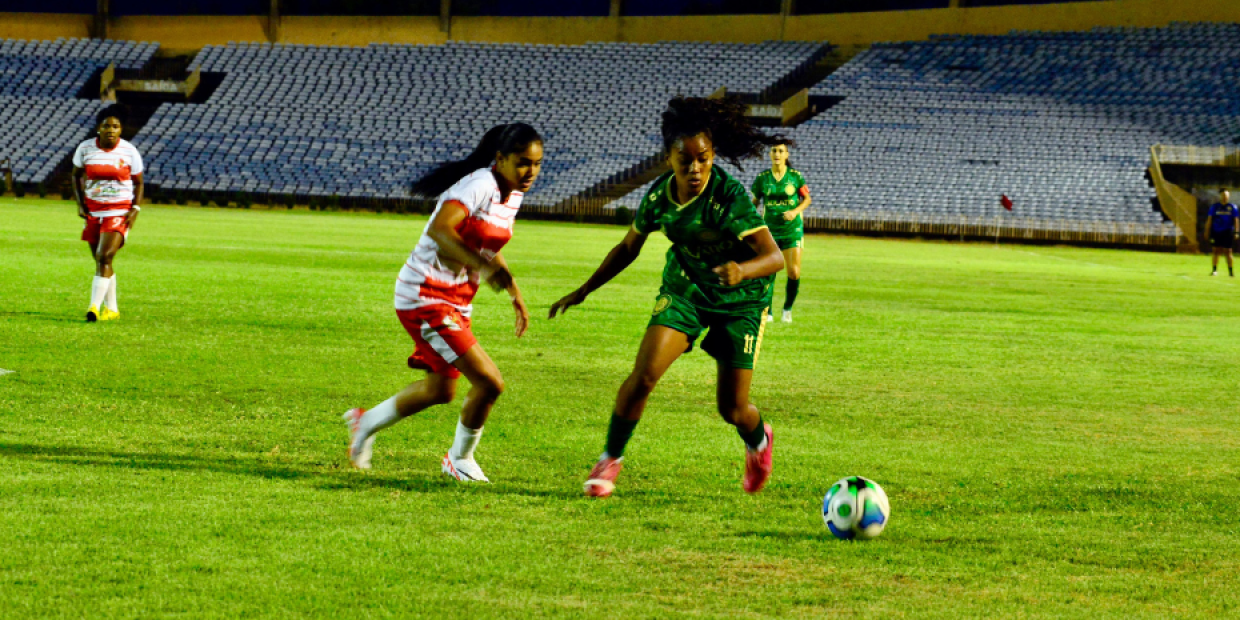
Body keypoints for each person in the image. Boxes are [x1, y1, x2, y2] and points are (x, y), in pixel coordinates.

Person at [549, 96, 785, 498]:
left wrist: (741, 270)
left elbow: (774, 257)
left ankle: (759, 441)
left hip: (741, 299)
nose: (695, 168)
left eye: (703, 159)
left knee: (731, 409)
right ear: (668, 158)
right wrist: (584, 290)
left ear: (712, 156)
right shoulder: (659, 198)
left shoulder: (729, 196)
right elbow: (628, 248)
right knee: (644, 375)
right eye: (685, 160)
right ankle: (609, 460)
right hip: (686, 290)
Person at [343, 123, 542, 482]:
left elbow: (488, 245)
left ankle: (365, 423)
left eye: (537, 164)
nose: (531, 171)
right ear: (500, 160)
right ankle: (459, 460)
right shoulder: (479, 185)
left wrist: (515, 292)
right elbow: (440, 230)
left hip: (455, 298)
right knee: (490, 382)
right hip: (425, 294)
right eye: (523, 163)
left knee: (440, 390)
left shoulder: (513, 194)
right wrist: (484, 268)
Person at [72, 104, 144, 322]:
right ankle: (112, 309)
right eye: (106, 126)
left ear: (121, 130)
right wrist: (80, 203)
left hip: (118, 211)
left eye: (115, 126)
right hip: (94, 211)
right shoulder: (85, 149)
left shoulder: (129, 151)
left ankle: (93, 308)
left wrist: (135, 209)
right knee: (102, 261)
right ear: (98, 128)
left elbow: (139, 182)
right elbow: (76, 175)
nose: (111, 130)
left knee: (104, 256)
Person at [750, 140, 811, 323]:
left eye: (781, 151)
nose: (777, 154)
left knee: (794, 271)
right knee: (769, 271)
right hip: (769, 230)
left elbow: (807, 199)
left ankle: (787, 309)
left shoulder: (795, 177)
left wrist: (794, 212)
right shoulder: (762, 178)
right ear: (770, 154)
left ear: (786, 155)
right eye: (774, 151)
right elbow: (754, 203)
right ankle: (767, 311)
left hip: (792, 230)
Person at [1205, 188, 1237, 277]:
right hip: (1216, 231)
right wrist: (1207, 231)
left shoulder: (1232, 207)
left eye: (1226, 196)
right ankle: (1214, 270)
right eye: (1223, 195)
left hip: (1227, 231)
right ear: (1220, 196)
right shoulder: (1215, 207)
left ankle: (1231, 272)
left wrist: (1237, 232)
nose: (1224, 197)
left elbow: (1236, 220)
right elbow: (1209, 219)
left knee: (1228, 251)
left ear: (1228, 196)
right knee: (1216, 250)